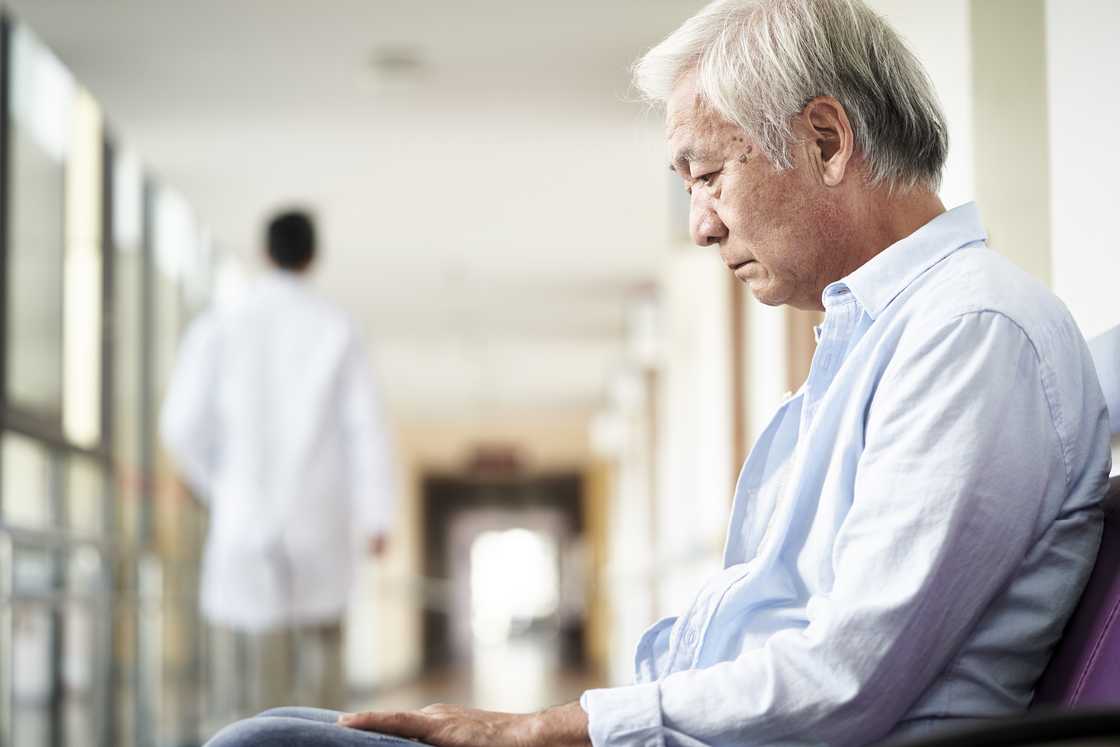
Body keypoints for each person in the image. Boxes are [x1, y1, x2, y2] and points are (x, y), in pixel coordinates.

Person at [206, 0, 1111, 745]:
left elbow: (844, 677)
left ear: (828, 140)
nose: (701, 226)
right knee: (284, 726)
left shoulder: (970, 333)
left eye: (709, 175)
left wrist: (558, 727)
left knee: (265, 744)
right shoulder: (878, 339)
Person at [161, 210, 396, 721]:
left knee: (244, 679)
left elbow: (180, 425)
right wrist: (378, 516)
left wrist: (219, 483)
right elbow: (365, 431)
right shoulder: (337, 327)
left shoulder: (220, 323)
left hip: (243, 518)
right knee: (323, 673)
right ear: (313, 257)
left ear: (264, 252)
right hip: (319, 519)